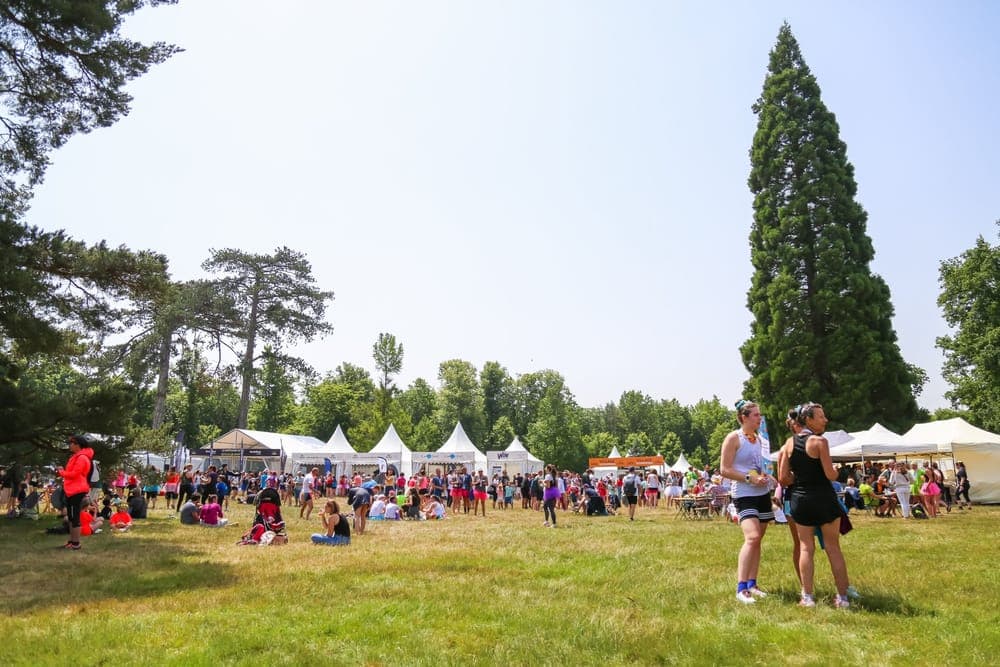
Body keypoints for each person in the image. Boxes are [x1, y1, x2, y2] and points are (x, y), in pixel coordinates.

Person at [777, 402, 853, 609]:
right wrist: (841, 472)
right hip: (823, 498)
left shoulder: (788, 444)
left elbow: (783, 478)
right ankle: (843, 598)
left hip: (800, 500)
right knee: (833, 548)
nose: (825, 419)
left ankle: (807, 597)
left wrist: (801, 479)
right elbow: (830, 475)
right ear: (808, 419)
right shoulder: (820, 442)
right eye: (821, 416)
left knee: (805, 548)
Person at [720, 400, 774, 604]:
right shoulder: (733, 438)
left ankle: (753, 583)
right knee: (751, 537)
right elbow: (724, 470)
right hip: (743, 493)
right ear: (744, 417)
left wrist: (769, 476)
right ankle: (741, 587)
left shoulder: (761, 440)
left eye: (760, 415)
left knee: (758, 539)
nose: (760, 418)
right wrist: (749, 478)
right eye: (755, 415)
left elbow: (761, 466)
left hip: (762, 493)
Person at [775, 407, 804, 588]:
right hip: (792, 498)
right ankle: (805, 585)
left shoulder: (816, 442)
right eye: (796, 424)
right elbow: (782, 478)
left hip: (813, 496)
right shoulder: (786, 448)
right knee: (800, 543)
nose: (799, 426)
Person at [56, 434, 95, 550]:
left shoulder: (82, 458)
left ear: (78, 445)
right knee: (72, 517)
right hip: (72, 490)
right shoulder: (77, 457)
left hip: (77, 490)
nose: (70, 445)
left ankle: (76, 544)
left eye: (72, 443)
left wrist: (61, 472)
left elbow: (74, 474)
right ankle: (72, 541)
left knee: (74, 517)